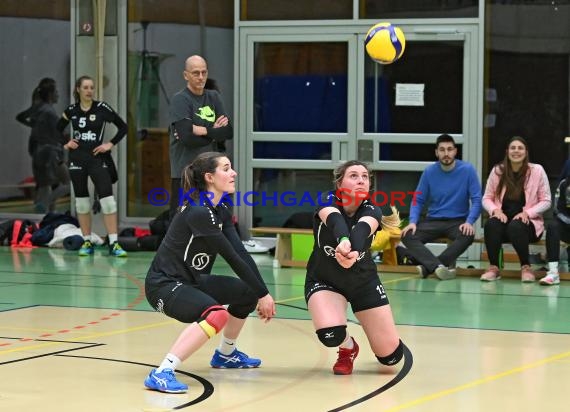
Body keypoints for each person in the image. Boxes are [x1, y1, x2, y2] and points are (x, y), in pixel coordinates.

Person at [144, 151, 276, 393]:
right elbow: (232, 258)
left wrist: (260, 292)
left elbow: (241, 253)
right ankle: (163, 372)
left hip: (190, 281)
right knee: (216, 315)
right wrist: (264, 295)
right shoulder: (199, 212)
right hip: (163, 286)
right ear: (209, 177)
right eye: (226, 169)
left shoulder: (221, 208)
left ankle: (226, 354)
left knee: (246, 293)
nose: (234, 173)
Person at [305, 160, 406, 376]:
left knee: (391, 359)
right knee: (330, 334)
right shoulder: (327, 200)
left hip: (363, 281)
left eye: (365, 177)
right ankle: (348, 347)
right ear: (339, 183)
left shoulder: (373, 210)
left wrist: (351, 252)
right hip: (325, 279)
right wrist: (342, 240)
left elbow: (361, 230)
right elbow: (335, 220)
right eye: (353, 175)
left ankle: (383, 335)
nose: (361, 180)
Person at [56, 75, 128, 257]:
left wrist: (109, 144)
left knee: (108, 202)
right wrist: (66, 143)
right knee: (81, 203)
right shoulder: (71, 110)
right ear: (78, 89)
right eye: (86, 87)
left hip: (97, 159)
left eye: (92, 87)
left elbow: (123, 127)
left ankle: (114, 243)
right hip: (77, 160)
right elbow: (57, 128)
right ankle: (87, 241)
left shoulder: (102, 108)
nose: (89, 91)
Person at [401, 134, 482, 280]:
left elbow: (477, 199)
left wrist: (469, 222)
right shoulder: (429, 172)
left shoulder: (467, 170)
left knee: (468, 235)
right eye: (442, 150)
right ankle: (437, 266)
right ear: (436, 152)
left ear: (455, 151)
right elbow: (417, 199)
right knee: (407, 235)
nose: (446, 153)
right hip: (433, 220)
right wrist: (413, 221)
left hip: (457, 221)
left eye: (450, 149)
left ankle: (428, 267)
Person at [480, 136, 551, 282]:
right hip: (503, 222)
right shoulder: (497, 171)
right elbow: (486, 198)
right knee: (491, 224)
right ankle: (494, 268)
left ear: (526, 152)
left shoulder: (537, 170)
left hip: (528, 225)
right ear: (507, 152)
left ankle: (526, 267)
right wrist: (495, 210)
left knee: (516, 226)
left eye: (520, 148)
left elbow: (547, 201)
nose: (516, 151)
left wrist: (527, 213)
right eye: (513, 148)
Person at [168, 55, 233, 215]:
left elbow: (227, 132)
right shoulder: (180, 100)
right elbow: (187, 138)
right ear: (186, 75)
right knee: (181, 220)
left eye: (204, 72)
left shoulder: (213, 97)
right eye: (196, 73)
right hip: (186, 171)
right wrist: (213, 131)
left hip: (211, 172)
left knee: (216, 218)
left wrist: (201, 130)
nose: (201, 77)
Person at [16, 78, 70, 213]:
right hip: (51, 154)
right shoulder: (50, 113)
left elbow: (20, 117)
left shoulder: (38, 109)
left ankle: (45, 212)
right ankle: (45, 203)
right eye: (56, 91)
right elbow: (61, 135)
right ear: (51, 94)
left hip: (38, 153)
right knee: (71, 183)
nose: (58, 94)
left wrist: (33, 125)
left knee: (45, 187)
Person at [542, 174, 570, 285]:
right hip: (566, 226)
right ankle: (553, 272)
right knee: (553, 226)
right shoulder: (564, 183)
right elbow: (557, 210)